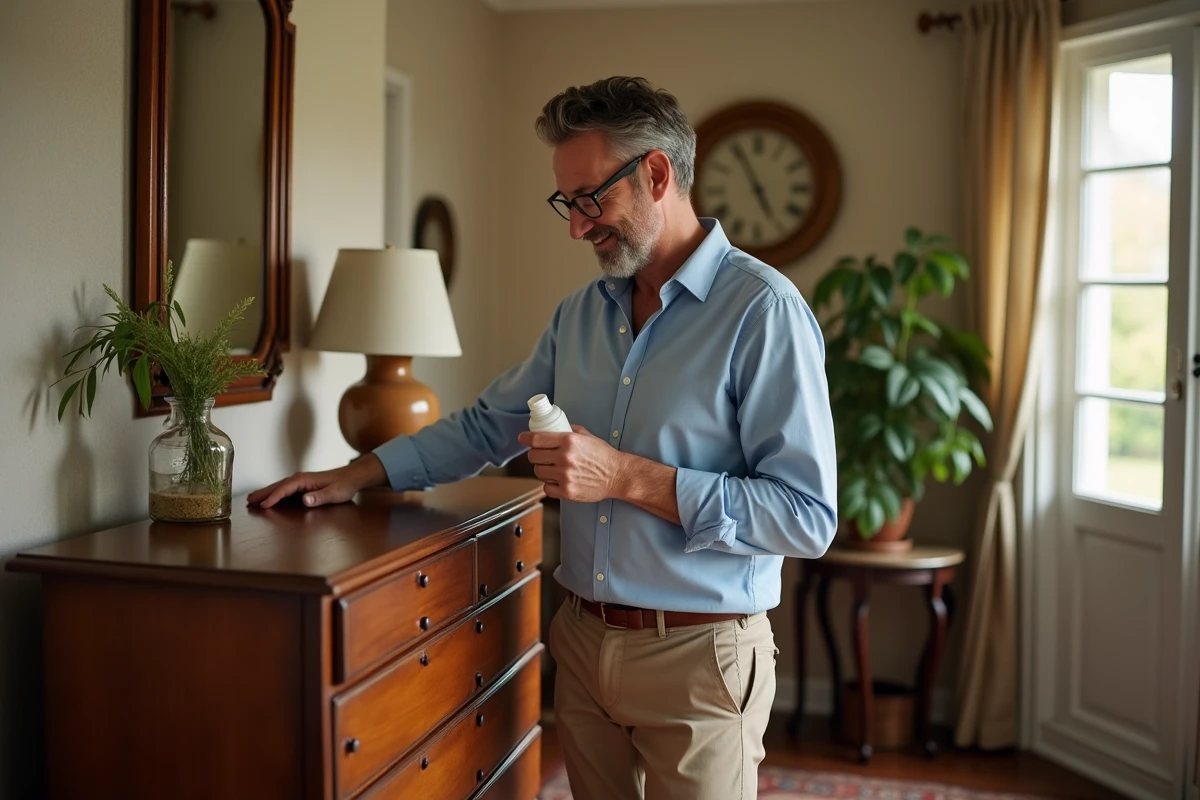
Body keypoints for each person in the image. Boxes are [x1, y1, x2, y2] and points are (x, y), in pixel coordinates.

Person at [249, 76, 837, 800]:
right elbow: (486, 427)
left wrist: (624, 476)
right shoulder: (578, 316)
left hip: (701, 657)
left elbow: (806, 517)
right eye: (567, 203)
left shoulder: (764, 312)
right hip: (581, 648)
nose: (576, 228)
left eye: (590, 199)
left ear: (656, 175)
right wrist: (356, 473)